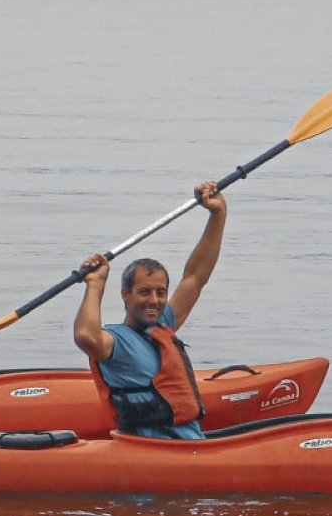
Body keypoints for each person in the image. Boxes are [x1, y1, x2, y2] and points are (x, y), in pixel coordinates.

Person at [72, 181, 226, 439]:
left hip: (190, 444)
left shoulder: (164, 325)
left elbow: (195, 277)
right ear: (126, 294)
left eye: (160, 292)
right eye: (144, 292)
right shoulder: (116, 341)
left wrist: (217, 214)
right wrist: (95, 285)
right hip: (154, 452)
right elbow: (86, 337)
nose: (153, 300)